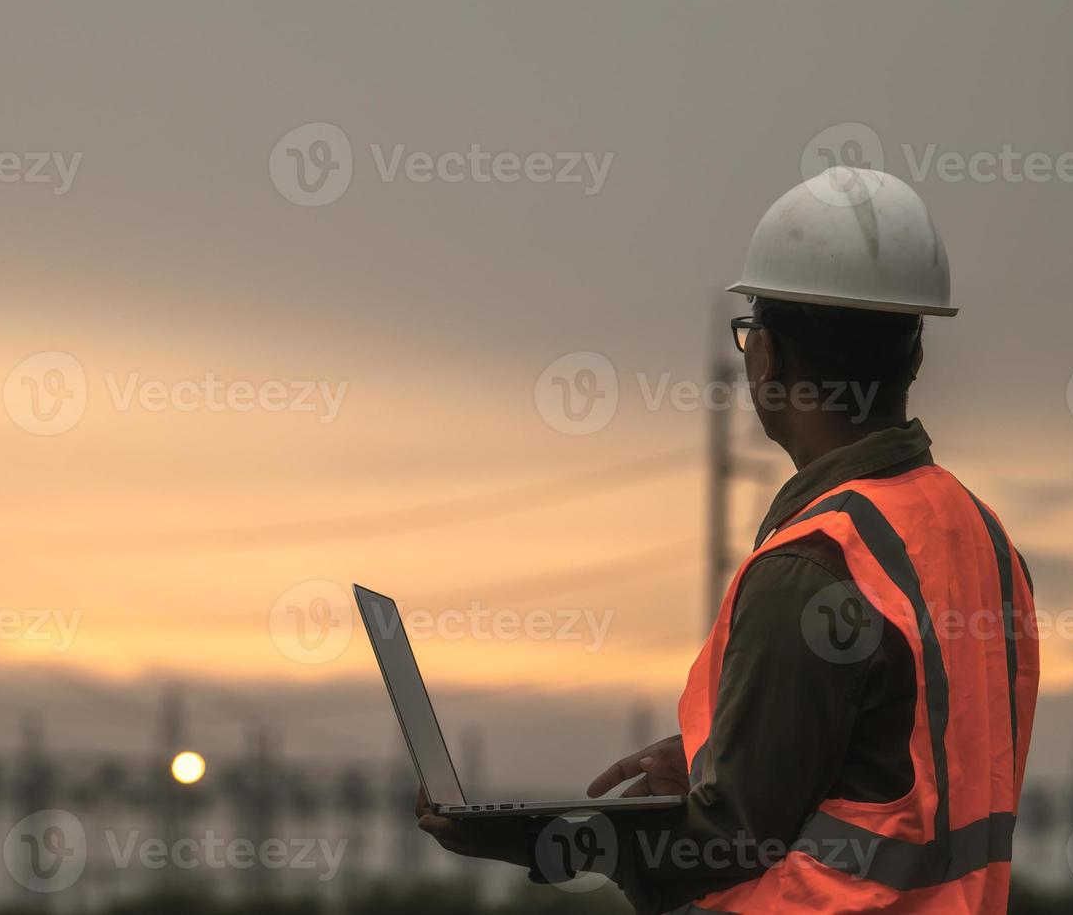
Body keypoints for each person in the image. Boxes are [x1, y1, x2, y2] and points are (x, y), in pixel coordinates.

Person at [417, 167, 1039, 913]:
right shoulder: (983, 540)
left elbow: (726, 843)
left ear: (764, 357)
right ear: (914, 357)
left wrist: (524, 836)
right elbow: (902, 764)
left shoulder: (814, 565)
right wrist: (718, 755)